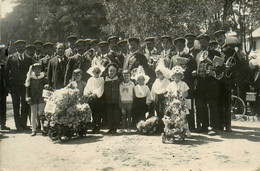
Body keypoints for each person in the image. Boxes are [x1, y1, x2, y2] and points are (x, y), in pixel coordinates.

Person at [194, 34, 221, 135]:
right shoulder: (197, 55)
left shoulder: (215, 53)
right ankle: (204, 126)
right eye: (200, 42)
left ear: (208, 42)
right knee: (201, 106)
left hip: (211, 84)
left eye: (204, 42)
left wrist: (213, 73)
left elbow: (221, 69)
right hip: (200, 84)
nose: (202, 44)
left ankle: (214, 127)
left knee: (212, 106)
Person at [214, 30, 239, 132]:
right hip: (217, 80)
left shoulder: (230, 50)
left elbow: (237, 64)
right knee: (218, 102)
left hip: (226, 80)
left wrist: (230, 67)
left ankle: (228, 125)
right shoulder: (215, 50)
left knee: (226, 103)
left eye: (220, 37)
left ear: (225, 37)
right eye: (217, 37)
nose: (219, 39)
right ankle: (220, 124)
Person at [5, 39, 33, 131]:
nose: (21, 48)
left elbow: (31, 73)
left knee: (25, 105)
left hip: (25, 86)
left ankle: (24, 124)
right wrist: (8, 86)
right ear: (16, 48)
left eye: (22, 46)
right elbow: (6, 72)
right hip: (14, 86)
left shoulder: (29, 58)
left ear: (24, 48)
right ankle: (18, 125)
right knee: (16, 106)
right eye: (19, 47)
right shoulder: (11, 58)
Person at [170, 37, 197, 130]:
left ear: (184, 45)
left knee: (187, 105)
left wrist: (186, 69)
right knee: (175, 104)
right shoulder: (173, 58)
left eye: (181, 45)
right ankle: (177, 125)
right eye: (177, 45)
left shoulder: (189, 57)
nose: (179, 47)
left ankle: (190, 126)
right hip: (175, 85)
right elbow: (170, 71)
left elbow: (193, 69)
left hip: (186, 84)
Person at [166, 65, 191, 137]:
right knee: (173, 117)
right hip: (173, 103)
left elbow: (186, 93)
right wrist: (170, 96)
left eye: (178, 75)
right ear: (172, 76)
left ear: (181, 76)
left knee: (183, 116)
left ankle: (187, 130)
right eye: (175, 75)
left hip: (181, 102)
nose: (177, 77)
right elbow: (168, 93)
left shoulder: (183, 84)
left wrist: (182, 96)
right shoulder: (170, 84)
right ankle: (174, 130)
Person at [84, 59, 105, 133]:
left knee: (98, 113)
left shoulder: (101, 79)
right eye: (94, 72)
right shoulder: (90, 79)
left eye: (98, 72)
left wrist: (95, 94)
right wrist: (88, 94)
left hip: (98, 98)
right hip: (91, 98)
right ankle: (93, 126)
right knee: (93, 113)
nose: (96, 73)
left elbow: (101, 88)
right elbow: (87, 87)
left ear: (100, 72)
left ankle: (98, 126)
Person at [25, 63, 46, 136]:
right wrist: (28, 97)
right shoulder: (30, 77)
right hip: (33, 97)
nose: (37, 70)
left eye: (38, 69)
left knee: (41, 113)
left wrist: (47, 87)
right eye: (35, 69)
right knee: (33, 113)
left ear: (41, 70)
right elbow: (27, 88)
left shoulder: (43, 77)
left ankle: (43, 129)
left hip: (41, 97)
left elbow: (47, 86)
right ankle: (33, 129)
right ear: (33, 70)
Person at [150, 59, 171, 132]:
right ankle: (158, 126)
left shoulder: (167, 81)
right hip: (157, 98)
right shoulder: (156, 81)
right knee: (158, 112)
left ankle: (164, 127)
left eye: (159, 73)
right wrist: (152, 98)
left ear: (163, 74)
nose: (157, 75)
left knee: (163, 112)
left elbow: (168, 90)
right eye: (156, 73)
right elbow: (153, 89)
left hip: (163, 98)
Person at [104, 63, 121, 134]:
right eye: (110, 71)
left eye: (113, 71)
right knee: (109, 114)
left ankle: (115, 128)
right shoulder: (106, 81)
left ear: (116, 72)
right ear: (108, 72)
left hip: (116, 100)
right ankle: (110, 128)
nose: (111, 73)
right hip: (108, 100)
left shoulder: (118, 81)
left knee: (116, 114)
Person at [0, 45, 10, 130]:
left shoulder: (3, 64)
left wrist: (6, 87)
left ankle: (2, 124)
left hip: (2, 90)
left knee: (3, 107)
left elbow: (6, 77)